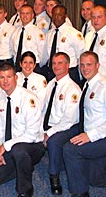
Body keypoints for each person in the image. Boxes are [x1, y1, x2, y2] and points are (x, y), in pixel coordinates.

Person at [63, 51, 106, 197]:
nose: (85, 68)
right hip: (94, 135)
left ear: (98, 65)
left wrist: (89, 136)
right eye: (82, 65)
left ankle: (80, 192)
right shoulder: (87, 85)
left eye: (89, 65)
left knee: (70, 150)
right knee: (95, 179)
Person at [0, 64, 45, 197]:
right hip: (9, 146)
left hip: (32, 145)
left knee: (19, 151)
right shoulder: (0, 96)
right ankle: (23, 167)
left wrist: (5, 146)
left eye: (9, 77)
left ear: (16, 77)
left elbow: (32, 135)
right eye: (2, 77)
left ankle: (25, 189)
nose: (5, 81)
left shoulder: (28, 99)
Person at [42, 52, 81, 195]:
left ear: (68, 65)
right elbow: (44, 109)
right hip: (51, 124)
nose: (56, 66)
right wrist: (40, 128)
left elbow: (68, 120)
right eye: (54, 63)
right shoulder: (51, 84)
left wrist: (48, 133)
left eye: (60, 63)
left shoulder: (72, 89)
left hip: (68, 127)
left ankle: (54, 176)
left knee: (53, 141)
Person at [43, 5, 84, 84]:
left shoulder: (73, 33)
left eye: (59, 15)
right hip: (52, 72)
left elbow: (81, 55)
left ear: (65, 16)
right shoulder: (49, 34)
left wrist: (80, 75)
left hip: (69, 73)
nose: (56, 17)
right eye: (54, 15)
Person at [11, 4, 46, 72]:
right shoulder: (16, 32)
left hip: (33, 68)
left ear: (32, 15)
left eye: (27, 13)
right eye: (22, 13)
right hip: (18, 67)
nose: (25, 16)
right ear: (19, 15)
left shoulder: (37, 32)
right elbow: (13, 51)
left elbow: (43, 53)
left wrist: (37, 65)